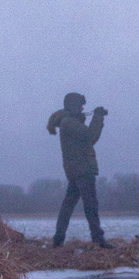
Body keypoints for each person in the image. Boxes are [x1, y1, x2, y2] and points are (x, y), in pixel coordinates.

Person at [46, 92, 112, 248]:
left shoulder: (68, 122)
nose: (83, 109)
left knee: (68, 206)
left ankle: (58, 239)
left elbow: (89, 138)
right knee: (90, 205)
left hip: (76, 170)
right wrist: (97, 117)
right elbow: (90, 136)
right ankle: (98, 239)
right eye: (80, 106)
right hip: (83, 169)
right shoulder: (68, 123)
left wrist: (95, 118)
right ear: (72, 106)